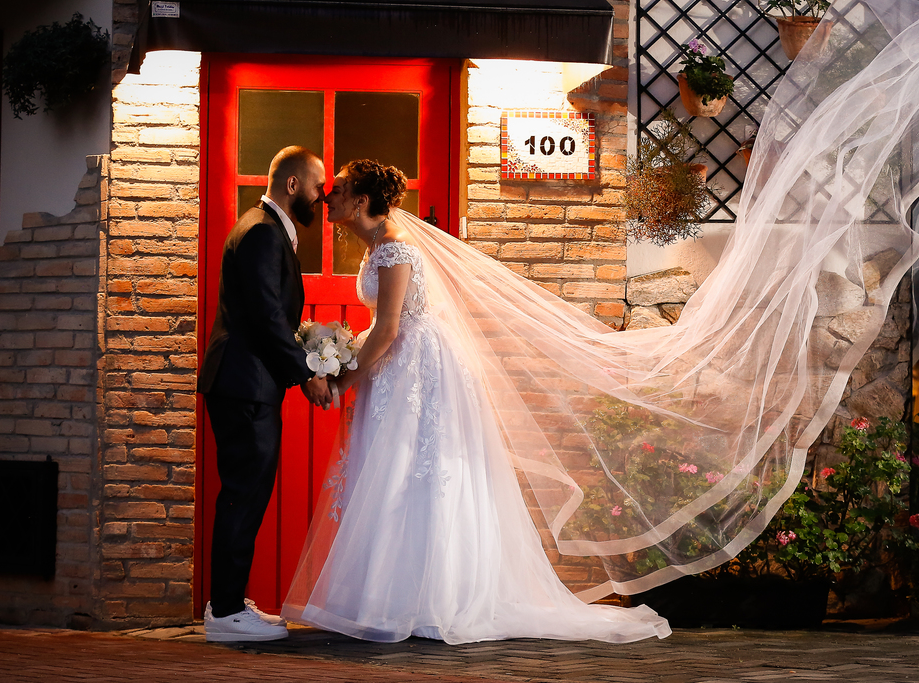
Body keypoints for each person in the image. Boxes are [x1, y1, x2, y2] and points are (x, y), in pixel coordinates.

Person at [281, 160, 670, 643]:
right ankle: (392, 597)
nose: (328, 196)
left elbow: (389, 329)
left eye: (338, 189)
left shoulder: (395, 247)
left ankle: (433, 600)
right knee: (392, 471)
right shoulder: (374, 245)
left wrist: (344, 379)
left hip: (419, 367)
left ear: (361, 201)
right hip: (397, 367)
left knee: (418, 471)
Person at [199, 145, 334, 643]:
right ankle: (226, 613)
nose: (321, 197)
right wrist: (306, 373)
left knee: (246, 493)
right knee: (244, 494)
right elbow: (265, 315)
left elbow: (269, 313)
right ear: (293, 185)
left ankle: (229, 602)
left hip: (244, 383)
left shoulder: (263, 227)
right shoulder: (261, 231)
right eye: (317, 187)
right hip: (245, 385)